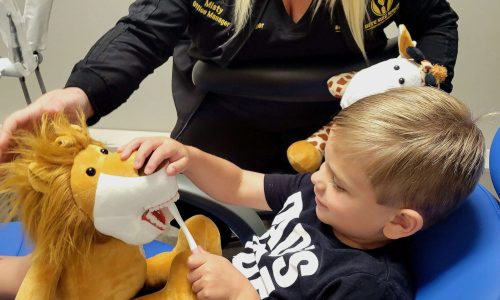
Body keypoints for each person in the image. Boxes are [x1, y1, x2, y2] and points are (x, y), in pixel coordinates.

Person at [0, 87, 486, 298]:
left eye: (338, 182)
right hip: (188, 281)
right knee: (57, 264)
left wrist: (244, 296)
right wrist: (188, 155)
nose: (318, 179)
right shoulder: (321, 198)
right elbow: (239, 183)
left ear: (399, 222)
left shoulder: (367, 284)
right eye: (325, 164)